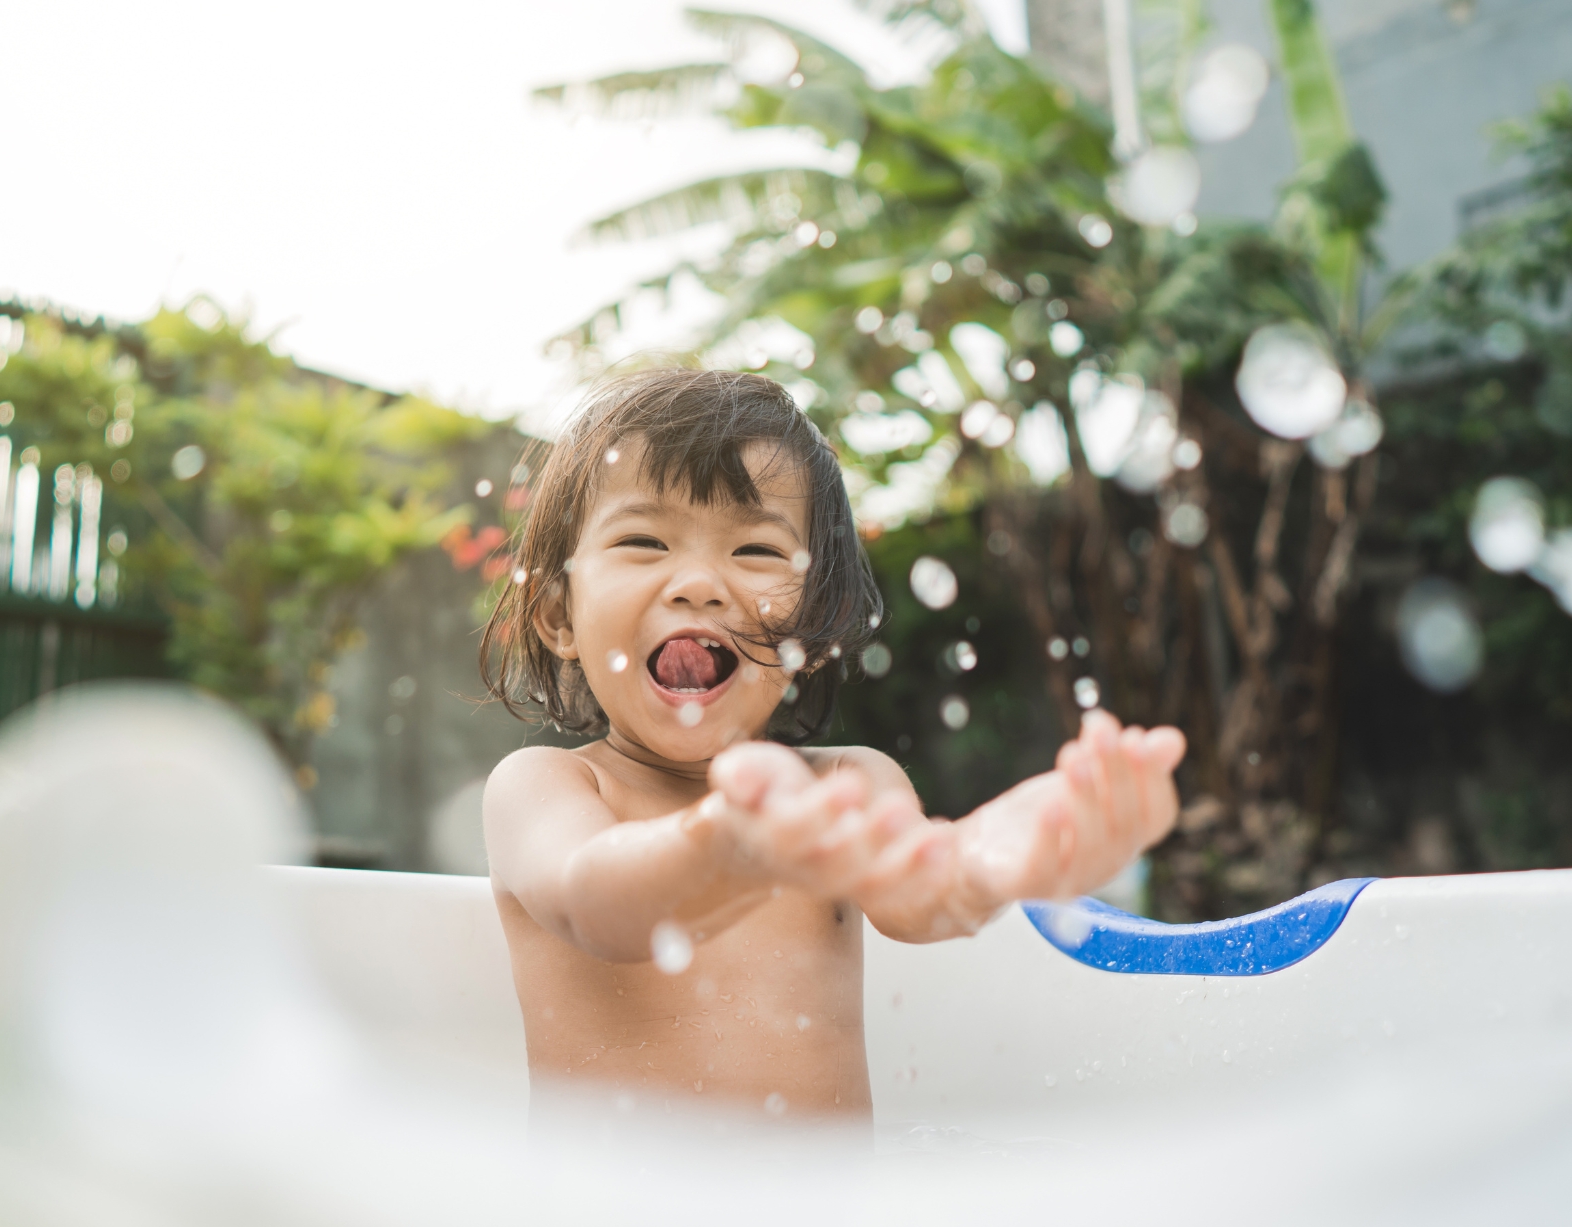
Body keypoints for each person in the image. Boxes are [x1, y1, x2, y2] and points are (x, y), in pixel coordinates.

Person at [480, 368, 1184, 1119]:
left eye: (754, 551)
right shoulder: (547, 786)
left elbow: (923, 895)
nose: (699, 583)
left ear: (812, 630)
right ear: (559, 615)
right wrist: (726, 850)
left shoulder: (846, 784)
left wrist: (1002, 856)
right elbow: (599, 905)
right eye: (645, 540)